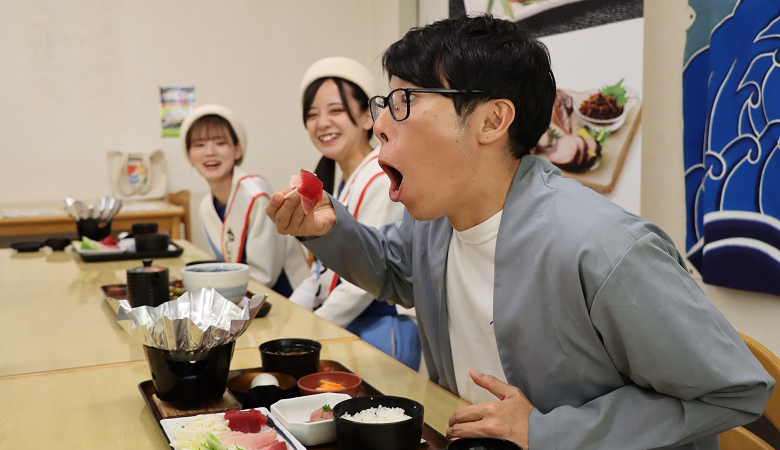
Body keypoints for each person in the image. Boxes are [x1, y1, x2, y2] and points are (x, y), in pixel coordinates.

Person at [266, 15, 774, 450]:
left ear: (492, 120)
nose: (379, 126)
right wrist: (328, 231)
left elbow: (734, 390)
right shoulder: (438, 220)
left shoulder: (604, 248)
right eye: (385, 104)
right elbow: (395, 272)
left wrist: (548, 431)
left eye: (405, 102)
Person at [289, 57, 421, 370]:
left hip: (379, 328)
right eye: (312, 114)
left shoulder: (381, 175)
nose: (322, 123)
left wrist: (309, 330)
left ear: (367, 117)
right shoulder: (343, 180)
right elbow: (322, 271)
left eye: (335, 110)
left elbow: (367, 277)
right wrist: (291, 317)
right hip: (345, 324)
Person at [180, 104, 309, 297]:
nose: (209, 152)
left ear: (237, 149)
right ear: (189, 155)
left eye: (220, 142)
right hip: (241, 297)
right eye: (199, 145)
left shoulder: (257, 194)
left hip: (285, 298)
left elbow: (264, 276)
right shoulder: (206, 205)